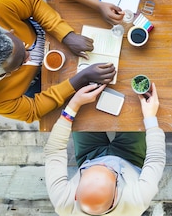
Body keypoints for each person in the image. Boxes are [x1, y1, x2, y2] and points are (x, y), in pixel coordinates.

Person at [0, 0, 116, 123]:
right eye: (20, 64)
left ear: (8, 31)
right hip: (38, 82)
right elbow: (33, 110)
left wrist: (66, 35)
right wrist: (80, 79)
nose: (29, 55)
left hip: (49, 33)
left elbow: (32, 4)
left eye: (22, 47)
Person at [44, 82, 165, 215]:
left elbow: (53, 152)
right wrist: (150, 117)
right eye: (111, 171)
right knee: (137, 109)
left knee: (84, 107)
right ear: (116, 195)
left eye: (89, 171)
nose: (104, 163)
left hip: (90, 156)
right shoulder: (137, 200)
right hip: (130, 158)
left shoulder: (62, 201)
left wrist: (72, 106)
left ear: (76, 195)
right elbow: (156, 158)